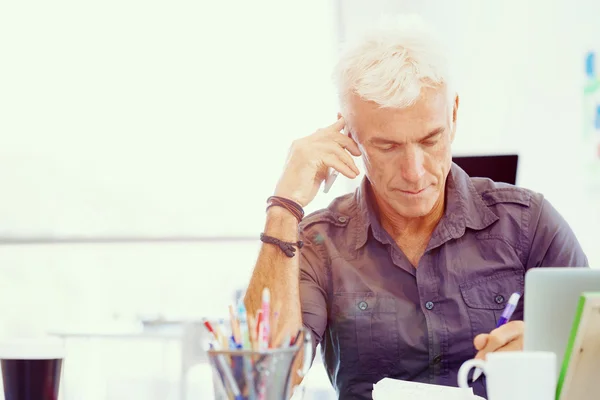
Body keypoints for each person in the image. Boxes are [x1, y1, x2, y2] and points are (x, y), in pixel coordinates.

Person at [244, 15, 588, 399]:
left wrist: (551, 355)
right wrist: (283, 207)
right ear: (350, 136)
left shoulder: (529, 223)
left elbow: (592, 367)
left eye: (430, 139)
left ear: (453, 115)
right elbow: (261, 382)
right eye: (388, 146)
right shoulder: (318, 242)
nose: (414, 171)